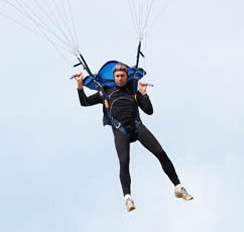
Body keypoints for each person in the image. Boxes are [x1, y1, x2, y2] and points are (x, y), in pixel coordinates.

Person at [71, 62, 193, 212]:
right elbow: (85, 102)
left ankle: (178, 187)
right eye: (117, 76)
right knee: (124, 161)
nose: (120, 79)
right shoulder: (105, 92)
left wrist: (144, 94)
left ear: (126, 76)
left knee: (160, 152)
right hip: (120, 129)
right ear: (113, 77)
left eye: (122, 76)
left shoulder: (133, 90)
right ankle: (128, 198)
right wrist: (79, 85)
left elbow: (149, 111)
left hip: (136, 126)